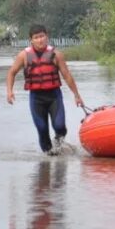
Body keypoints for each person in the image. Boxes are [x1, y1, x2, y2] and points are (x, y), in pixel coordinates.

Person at [6, 24, 84, 155]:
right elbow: (11, 73)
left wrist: (77, 95)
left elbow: (67, 76)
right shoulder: (23, 56)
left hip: (54, 96)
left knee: (59, 126)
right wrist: (9, 91)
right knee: (42, 130)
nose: (40, 40)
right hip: (36, 98)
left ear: (47, 37)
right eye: (36, 37)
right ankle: (48, 159)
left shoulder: (56, 55)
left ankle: (59, 143)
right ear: (31, 40)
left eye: (42, 36)